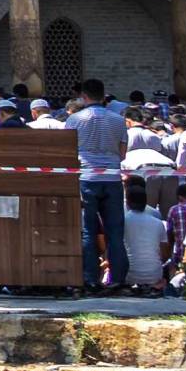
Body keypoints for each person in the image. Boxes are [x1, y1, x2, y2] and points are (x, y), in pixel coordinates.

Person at [66, 80, 132, 293]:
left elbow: (68, 152)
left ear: (84, 96)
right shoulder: (118, 121)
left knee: (88, 230)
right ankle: (118, 279)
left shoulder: (74, 119)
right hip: (112, 178)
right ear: (104, 96)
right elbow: (122, 154)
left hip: (86, 177)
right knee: (115, 231)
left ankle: (90, 278)